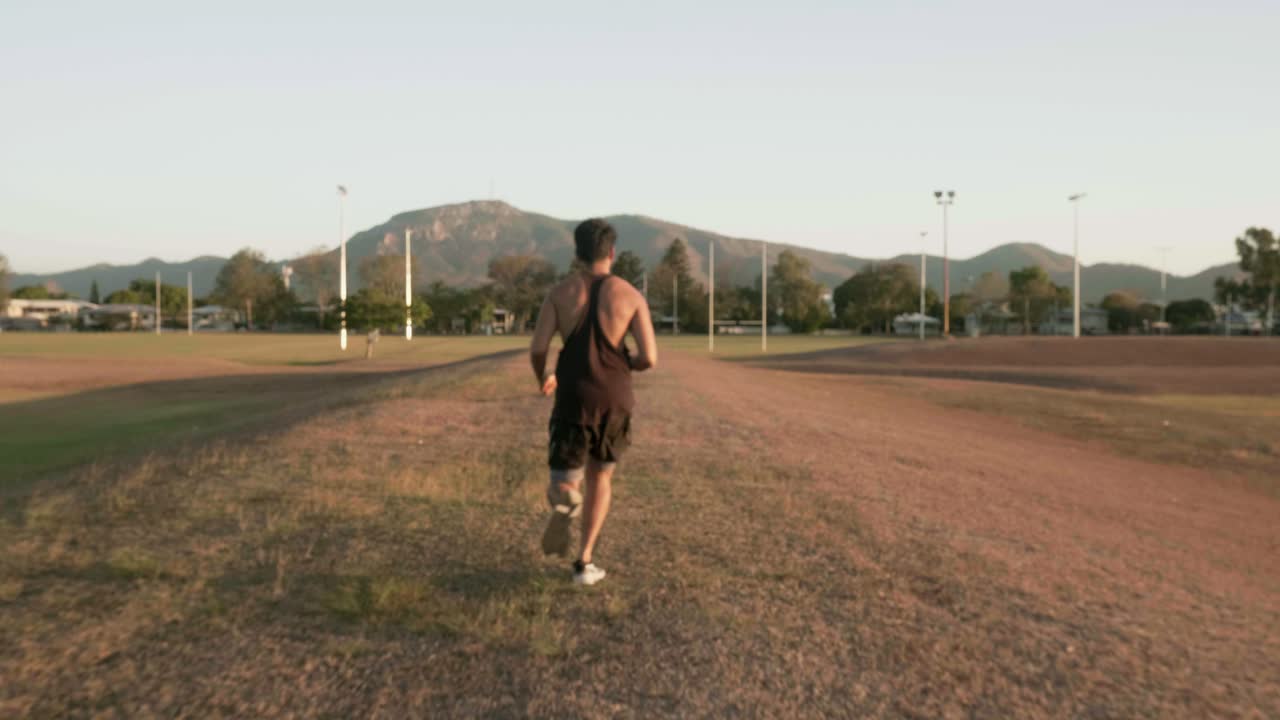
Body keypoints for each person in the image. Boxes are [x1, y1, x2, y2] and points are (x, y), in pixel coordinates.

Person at [529, 218, 657, 586]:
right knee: (601, 475)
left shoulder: (560, 293)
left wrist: (544, 376)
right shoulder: (631, 296)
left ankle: (565, 498)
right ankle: (584, 562)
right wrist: (627, 363)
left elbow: (538, 349)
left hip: (573, 396)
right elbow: (649, 357)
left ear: (577, 253)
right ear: (611, 253)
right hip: (615, 398)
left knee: (564, 479)